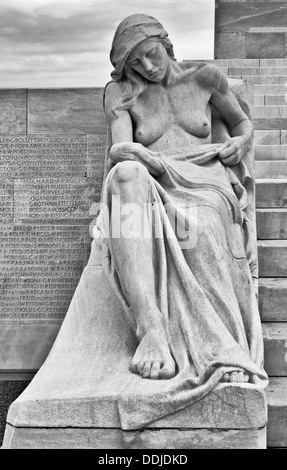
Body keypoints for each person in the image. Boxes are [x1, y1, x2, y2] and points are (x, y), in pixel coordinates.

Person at [97, 13, 268, 387]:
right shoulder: (124, 92)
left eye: (151, 53)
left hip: (206, 179)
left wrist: (241, 142)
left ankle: (220, 345)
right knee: (125, 174)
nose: (147, 66)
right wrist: (140, 158)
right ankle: (152, 327)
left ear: (166, 42)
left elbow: (241, 124)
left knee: (202, 226)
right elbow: (120, 149)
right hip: (156, 175)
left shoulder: (204, 77)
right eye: (135, 62)